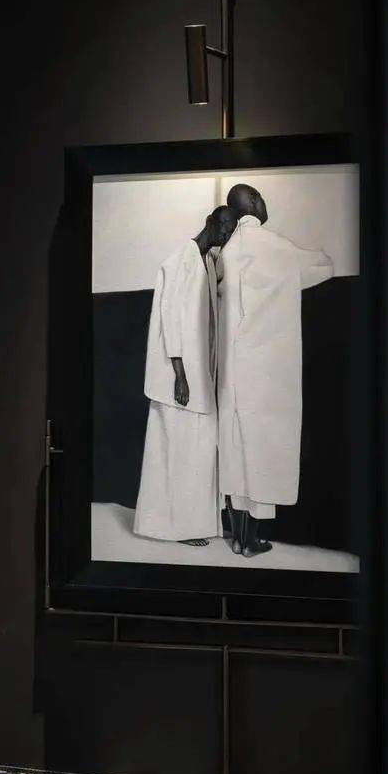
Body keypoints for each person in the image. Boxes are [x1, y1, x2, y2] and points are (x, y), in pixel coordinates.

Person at [218, 184, 334, 557]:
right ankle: (251, 540)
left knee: (235, 448)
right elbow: (322, 265)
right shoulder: (272, 245)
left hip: (232, 367)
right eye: (261, 198)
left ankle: (237, 538)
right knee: (264, 449)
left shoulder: (228, 251)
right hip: (267, 367)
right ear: (253, 202)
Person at [134, 206, 236, 545]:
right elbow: (170, 319)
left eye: (231, 230)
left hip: (200, 377)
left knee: (199, 452)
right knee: (177, 451)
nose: (226, 234)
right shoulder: (180, 259)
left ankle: (194, 524)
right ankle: (177, 529)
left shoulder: (207, 262)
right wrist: (180, 375)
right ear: (210, 222)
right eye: (224, 227)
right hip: (179, 377)